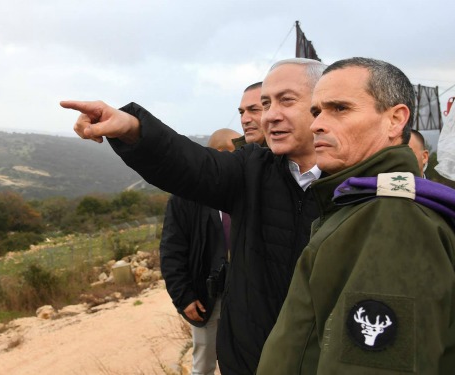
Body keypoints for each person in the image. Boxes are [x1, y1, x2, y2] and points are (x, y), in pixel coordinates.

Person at [61, 57, 327, 374]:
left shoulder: (360, 182)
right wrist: (133, 129)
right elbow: (192, 165)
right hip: (250, 361)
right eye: (265, 104)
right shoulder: (251, 168)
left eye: (286, 100)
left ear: (322, 104)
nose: (270, 116)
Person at [257, 57, 455, 374]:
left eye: (339, 108)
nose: (317, 125)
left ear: (395, 119)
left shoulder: (396, 221)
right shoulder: (364, 205)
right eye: (316, 111)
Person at [160, 128, 240, 375]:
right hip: (207, 297)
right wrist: (183, 295)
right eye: (237, 152)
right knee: (204, 360)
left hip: (244, 295)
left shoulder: (247, 190)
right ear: (218, 154)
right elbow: (172, 249)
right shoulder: (185, 197)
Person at [232, 82, 265, 149]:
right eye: (241, 112)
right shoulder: (237, 155)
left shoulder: (290, 156)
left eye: (254, 110)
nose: (244, 120)